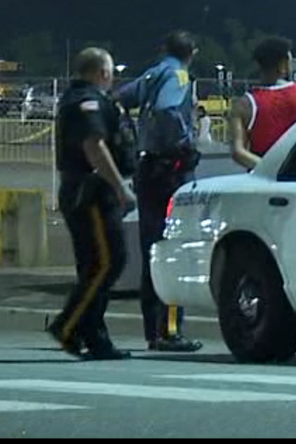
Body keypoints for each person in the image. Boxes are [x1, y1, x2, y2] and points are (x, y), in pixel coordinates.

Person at [48, 48, 138, 361]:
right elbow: (94, 146)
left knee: (95, 266)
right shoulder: (88, 103)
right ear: (103, 72)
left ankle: (93, 335)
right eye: (111, 70)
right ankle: (68, 326)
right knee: (107, 262)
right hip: (92, 194)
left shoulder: (85, 99)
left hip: (87, 191)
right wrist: (120, 188)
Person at [117, 31, 203, 353]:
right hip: (171, 171)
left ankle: (152, 330)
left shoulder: (152, 74)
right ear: (192, 52)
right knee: (172, 248)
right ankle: (168, 331)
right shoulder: (179, 75)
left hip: (147, 168)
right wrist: (182, 142)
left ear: (163, 49)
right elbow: (169, 109)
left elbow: (121, 99)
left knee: (152, 248)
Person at [229, 36, 296, 171]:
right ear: (283, 65)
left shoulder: (243, 105)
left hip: (263, 180)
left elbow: (238, 152)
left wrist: (271, 170)